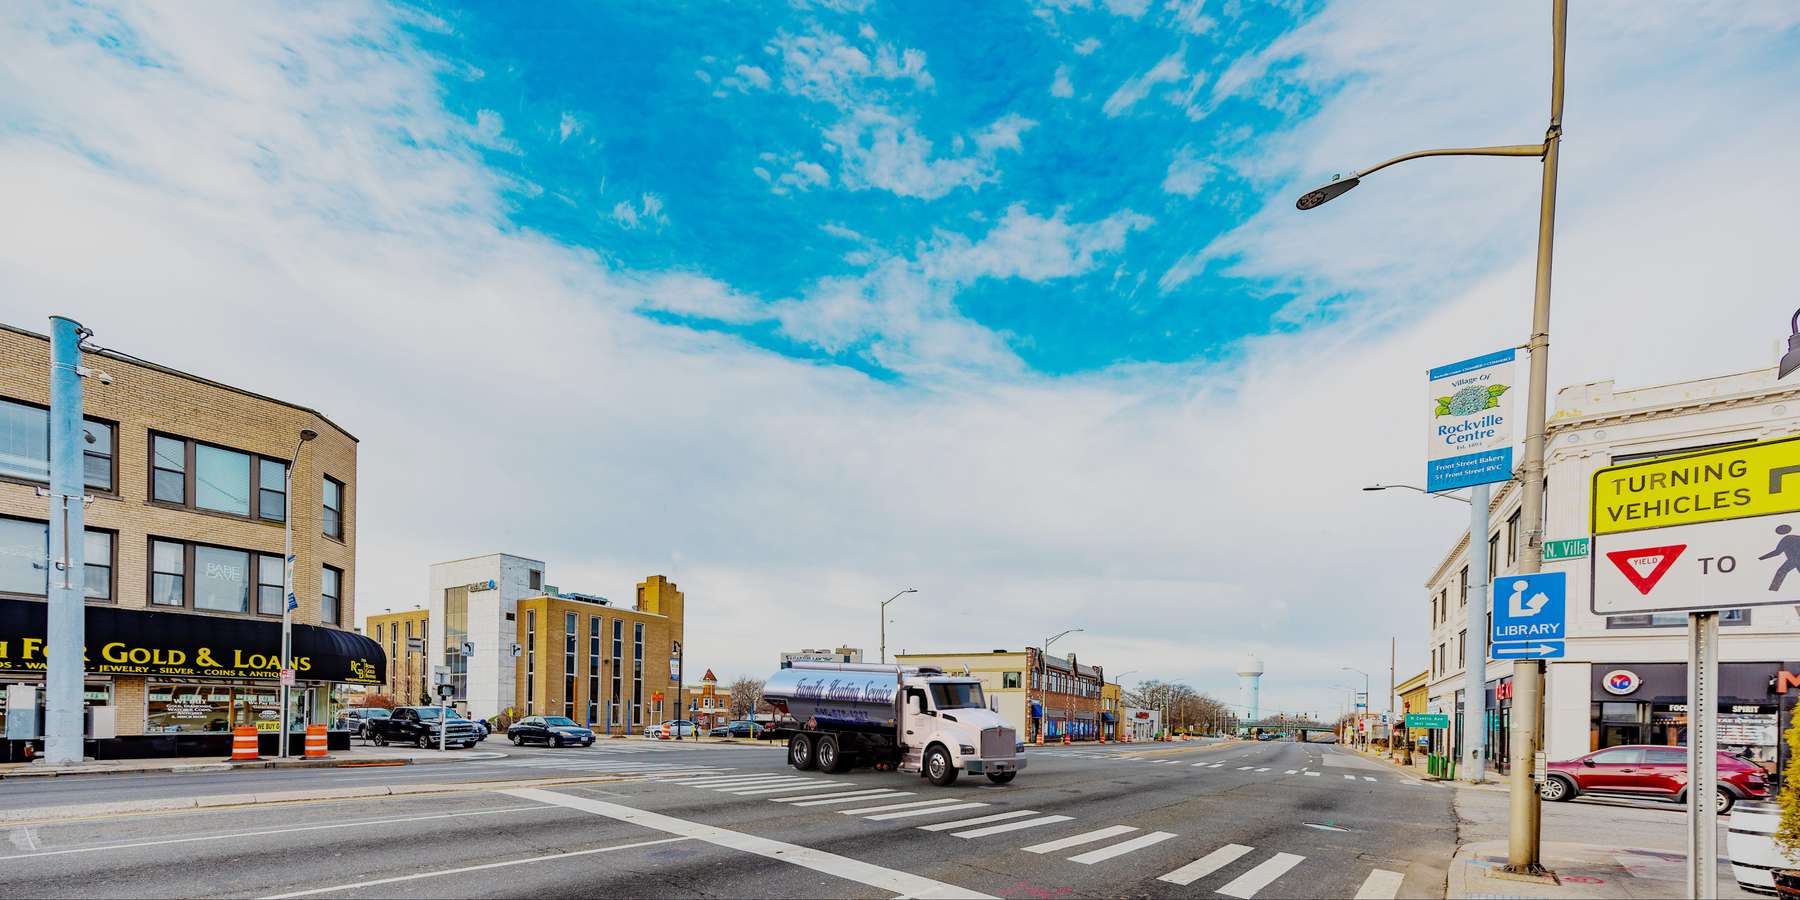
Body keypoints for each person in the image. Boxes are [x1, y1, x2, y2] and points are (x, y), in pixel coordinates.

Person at [1760, 524, 1800, 591]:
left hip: (1794, 559)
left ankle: (1772, 590)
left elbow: (1777, 552)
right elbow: (1777, 552)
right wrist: (1762, 558)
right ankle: (1772, 590)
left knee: (1781, 571)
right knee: (1781, 571)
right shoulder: (1788, 539)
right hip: (1793, 559)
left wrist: (1762, 558)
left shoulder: (1788, 539)